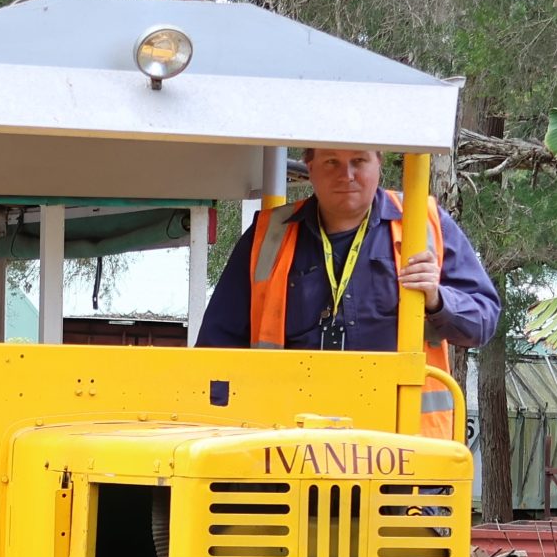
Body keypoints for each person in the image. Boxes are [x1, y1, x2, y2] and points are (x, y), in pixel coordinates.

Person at [195, 148, 499, 398]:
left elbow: (483, 321)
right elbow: (217, 345)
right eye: (332, 162)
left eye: (359, 161)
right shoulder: (267, 234)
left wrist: (437, 299)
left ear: (378, 162)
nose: (347, 174)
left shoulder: (425, 224)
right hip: (289, 438)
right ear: (309, 166)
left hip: (397, 447)